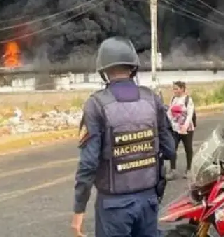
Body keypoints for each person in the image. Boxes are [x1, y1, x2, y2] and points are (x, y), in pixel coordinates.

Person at [71, 37, 176, 237]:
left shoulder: (96, 105)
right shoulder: (152, 99)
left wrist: (78, 212)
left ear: (104, 71)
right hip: (148, 202)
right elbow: (169, 148)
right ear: (133, 67)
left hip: (114, 207)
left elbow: (88, 165)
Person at [166, 81, 195, 180]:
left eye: (176, 88)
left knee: (188, 149)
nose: (174, 91)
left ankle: (189, 169)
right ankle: (173, 170)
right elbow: (169, 112)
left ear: (182, 89)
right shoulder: (173, 99)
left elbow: (190, 115)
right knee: (172, 148)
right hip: (175, 129)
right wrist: (169, 123)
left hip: (187, 129)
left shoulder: (188, 99)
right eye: (173, 89)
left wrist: (185, 127)